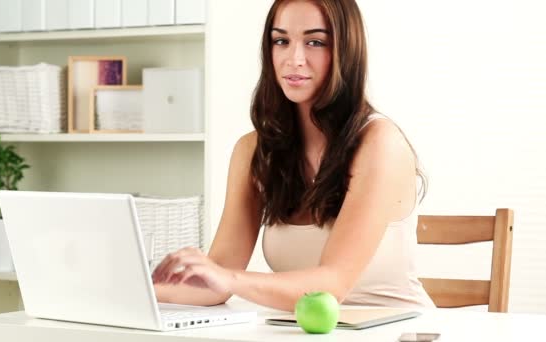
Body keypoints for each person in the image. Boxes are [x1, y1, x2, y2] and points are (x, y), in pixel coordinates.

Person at [152, 0, 436, 311]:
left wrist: (230, 279)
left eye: (315, 42)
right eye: (281, 41)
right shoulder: (254, 152)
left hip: (397, 331)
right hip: (303, 333)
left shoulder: (379, 142)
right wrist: (140, 288)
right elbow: (213, 285)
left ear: (346, 51)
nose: (294, 59)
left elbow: (331, 286)